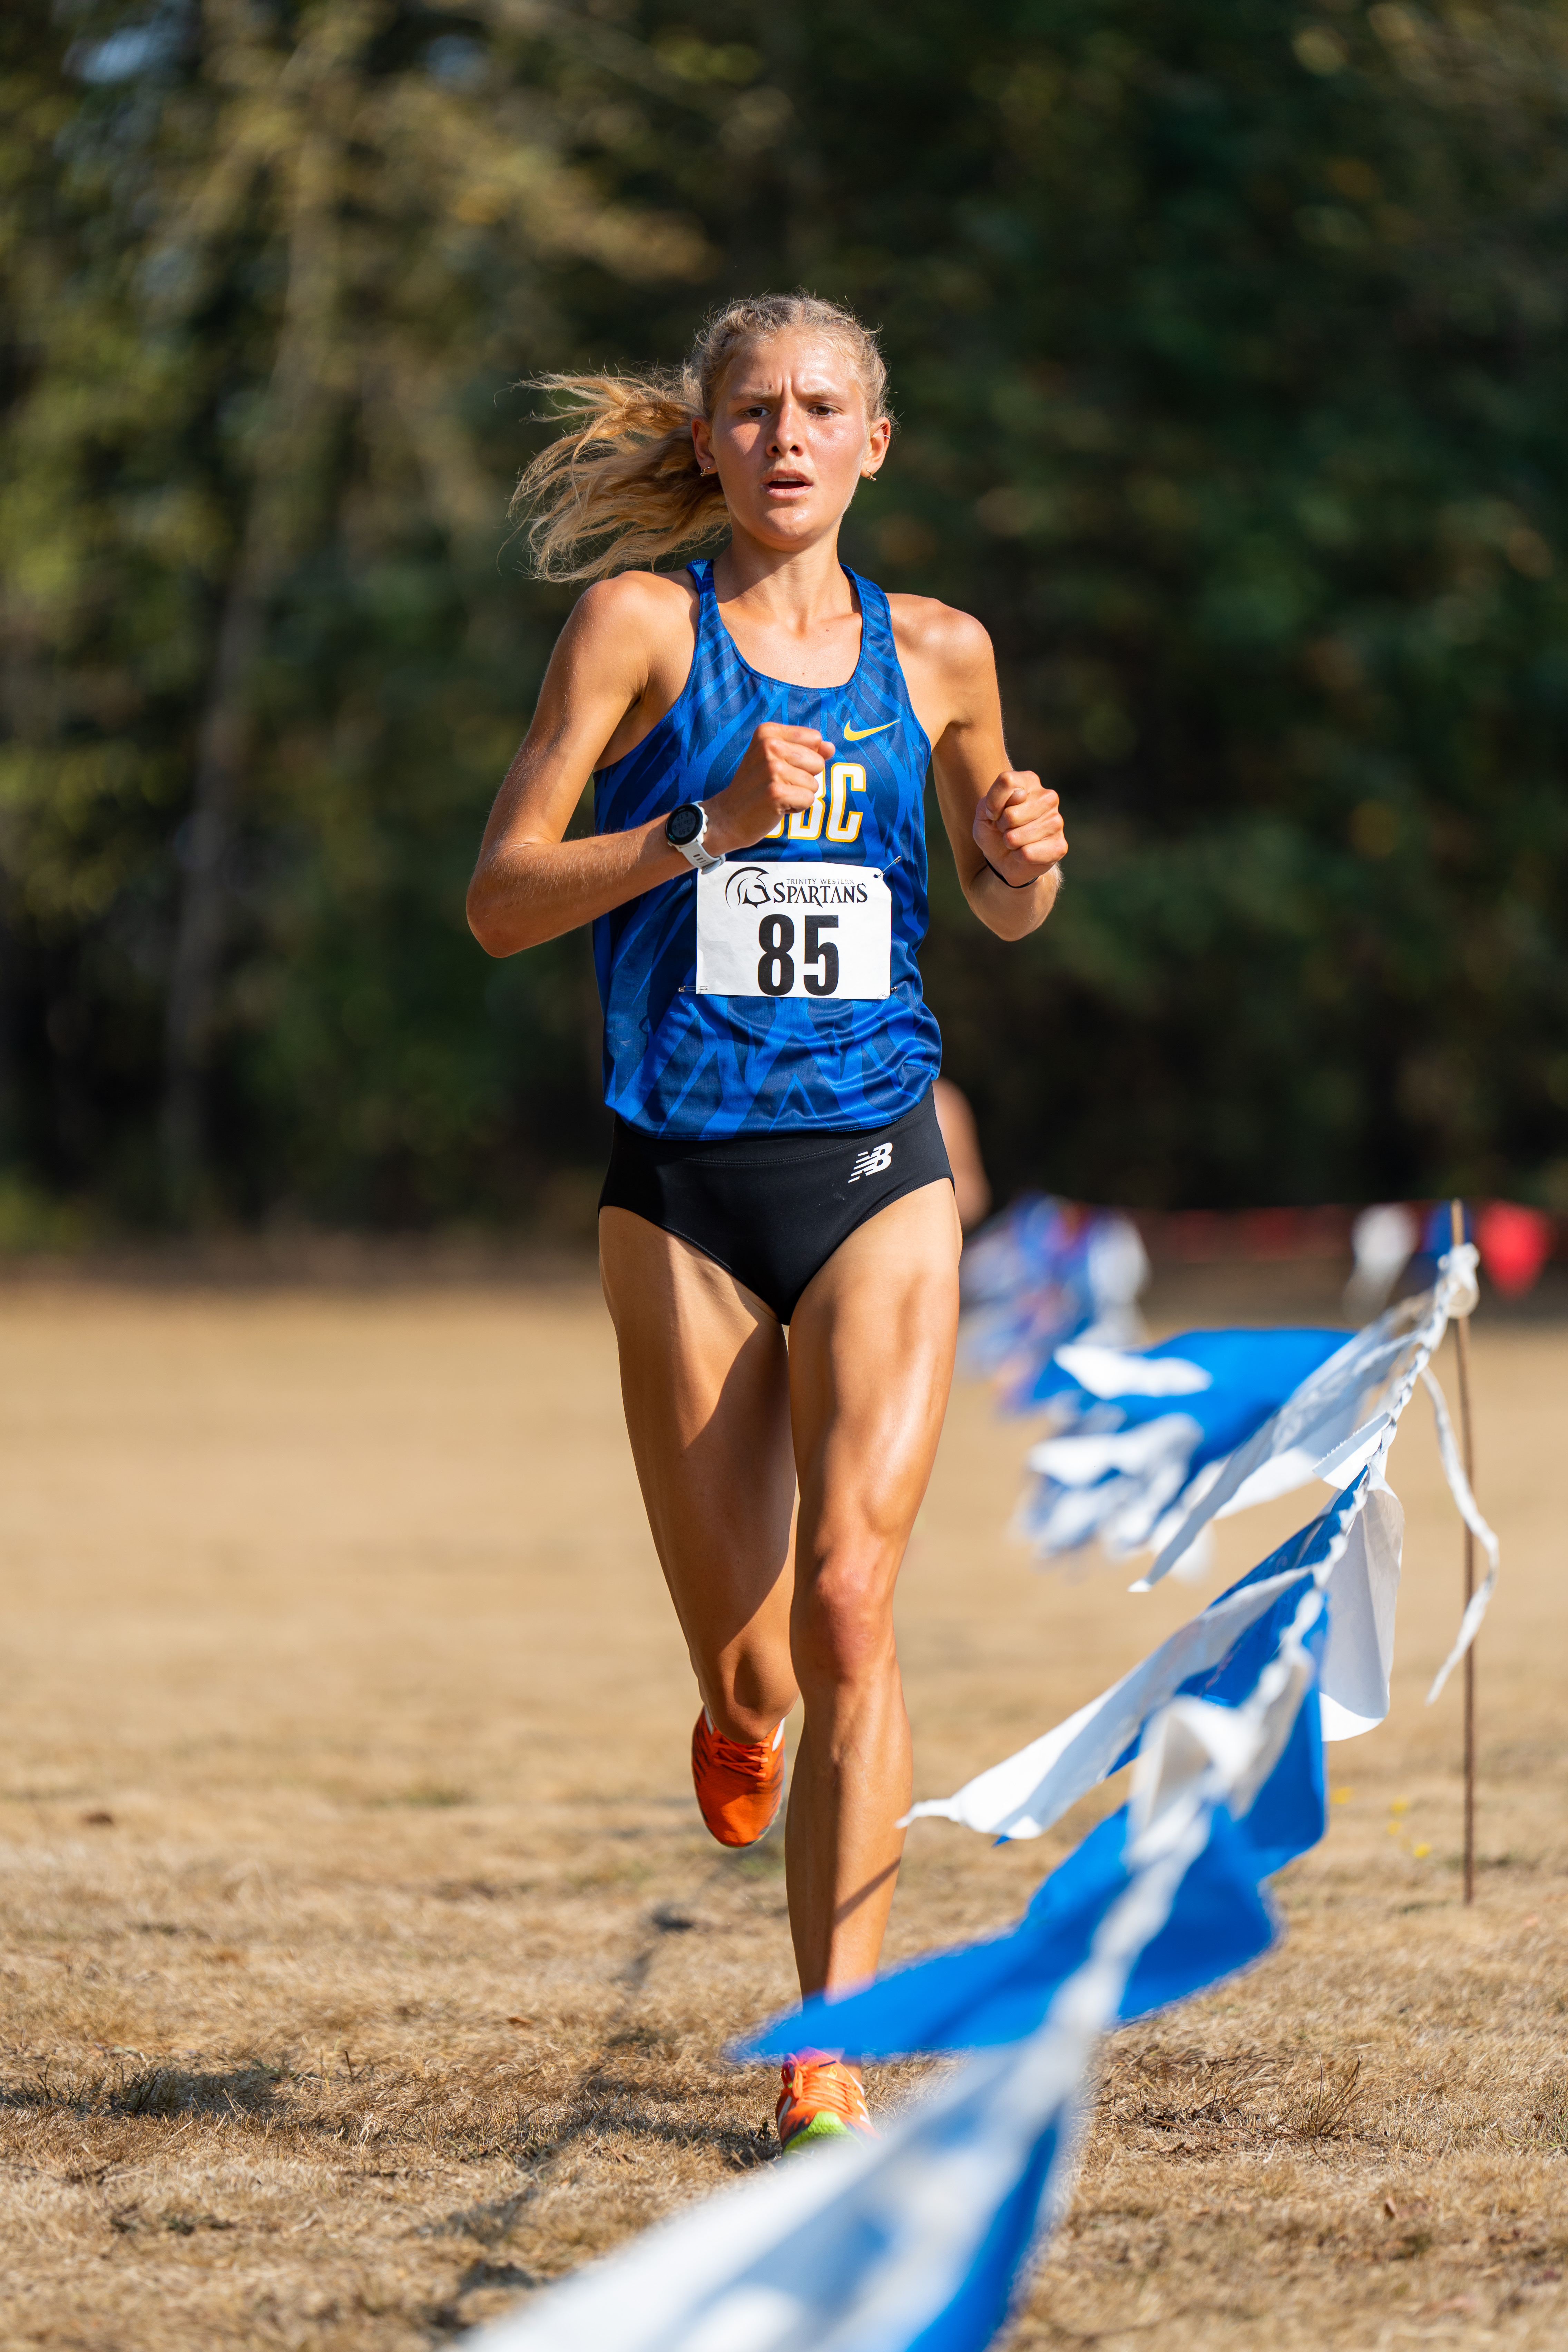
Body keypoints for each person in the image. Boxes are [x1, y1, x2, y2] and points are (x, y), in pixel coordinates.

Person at [467, 294, 1067, 2152]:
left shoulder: (945, 653)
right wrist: (704, 825)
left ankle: (827, 2046)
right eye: (754, 409)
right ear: (710, 442)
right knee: (756, 1666)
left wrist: (1029, 862)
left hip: (880, 1159)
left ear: (875, 444)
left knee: (855, 1601)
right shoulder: (639, 630)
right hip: (685, 1189)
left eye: (823, 408)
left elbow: (996, 892)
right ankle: (734, 1720)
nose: (788, 435)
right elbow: (498, 897)